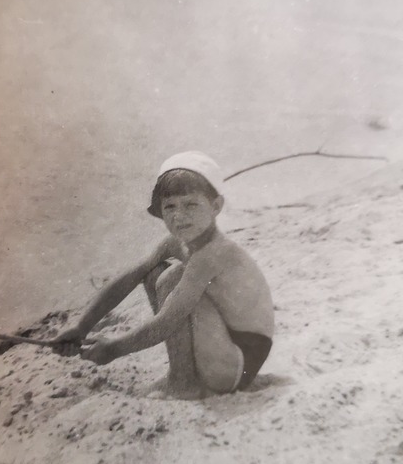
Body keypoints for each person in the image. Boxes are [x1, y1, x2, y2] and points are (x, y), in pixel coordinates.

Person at [51, 151, 274, 399]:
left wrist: (113, 349)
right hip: (226, 348)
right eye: (170, 207)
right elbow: (129, 278)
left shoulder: (212, 254)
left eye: (191, 204)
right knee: (153, 271)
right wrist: (81, 328)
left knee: (174, 277)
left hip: (239, 360)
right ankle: (183, 375)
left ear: (215, 206)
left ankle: (182, 383)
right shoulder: (177, 242)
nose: (179, 216)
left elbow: (168, 321)